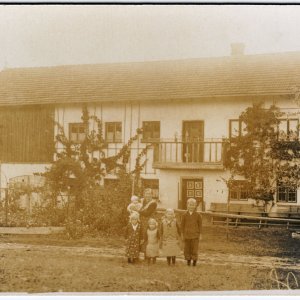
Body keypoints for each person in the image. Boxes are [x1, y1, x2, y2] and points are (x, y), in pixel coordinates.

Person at [181, 198, 202, 266]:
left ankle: (194, 261)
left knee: (194, 249)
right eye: (190, 205)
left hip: (195, 235)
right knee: (187, 249)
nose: (191, 206)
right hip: (187, 235)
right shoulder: (184, 215)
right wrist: (182, 234)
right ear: (187, 205)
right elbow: (182, 226)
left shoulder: (198, 215)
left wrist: (200, 234)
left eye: (193, 205)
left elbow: (200, 226)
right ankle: (188, 260)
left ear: (195, 206)